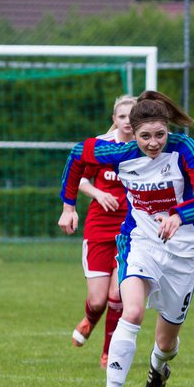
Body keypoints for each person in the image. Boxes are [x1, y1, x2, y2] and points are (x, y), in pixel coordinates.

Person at [59, 90, 194, 387]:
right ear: (133, 131)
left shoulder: (184, 149)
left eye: (160, 134)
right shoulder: (118, 153)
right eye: (146, 136)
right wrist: (68, 206)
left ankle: (158, 367)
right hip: (139, 241)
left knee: (166, 342)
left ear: (167, 130)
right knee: (131, 310)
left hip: (181, 251)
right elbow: (75, 155)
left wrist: (178, 215)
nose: (154, 142)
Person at [69, 94, 136, 366]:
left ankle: (109, 351)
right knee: (97, 301)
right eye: (122, 117)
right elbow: (81, 179)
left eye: (132, 117)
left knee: (117, 295)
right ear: (114, 119)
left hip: (129, 230)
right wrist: (97, 193)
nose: (127, 122)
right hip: (99, 227)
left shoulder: (145, 149)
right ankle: (90, 318)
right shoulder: (100, 146)